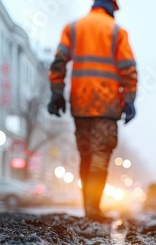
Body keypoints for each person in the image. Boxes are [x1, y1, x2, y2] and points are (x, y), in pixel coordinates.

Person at [47, 0, 137, 223]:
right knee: (100, 156)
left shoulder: (73, 28)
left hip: (81, 104)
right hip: (106, 106)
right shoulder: (118, 32)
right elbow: (128, 69)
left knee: (85, 156)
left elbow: (59, 62)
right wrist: (129, 100)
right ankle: (93, 210)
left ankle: (89, 209)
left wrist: (57, 93)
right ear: (111, 7)